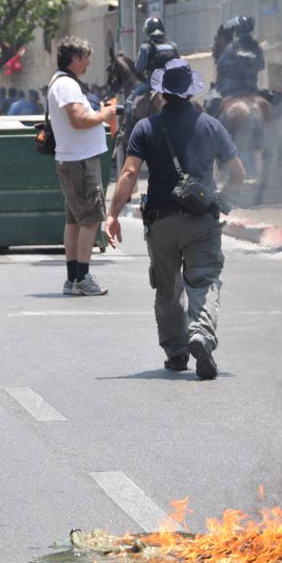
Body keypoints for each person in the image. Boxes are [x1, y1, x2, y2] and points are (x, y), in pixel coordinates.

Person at [105, 59, 246, 379]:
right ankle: (201, 334)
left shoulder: (145, 127)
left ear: (162, 93)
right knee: (204, 280)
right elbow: (238, 173)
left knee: (167, 288)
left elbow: (128, 173)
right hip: (201, 220)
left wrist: (112, 215)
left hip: (161, 221)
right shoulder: (211, 125)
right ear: (191, 92)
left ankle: (177, 352)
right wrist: (223, 199)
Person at [47, 36, 119, 296]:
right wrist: (104, 115)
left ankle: (73, 278)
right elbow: (78, 120)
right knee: (90, 220)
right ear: (75, 58)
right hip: (80, 162)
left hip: (74, 160)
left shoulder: (62, 82)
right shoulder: (67, 85)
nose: (88, 62)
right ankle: (82, 278)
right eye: (86, 57)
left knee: (75, 221)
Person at [214, 16, 264, 100]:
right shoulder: (256, 47)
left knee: (213, 104)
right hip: (251, 89)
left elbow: (220, 65)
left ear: (237, 30)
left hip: (231, 90)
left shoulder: (231, 48)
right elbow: (261, 65)